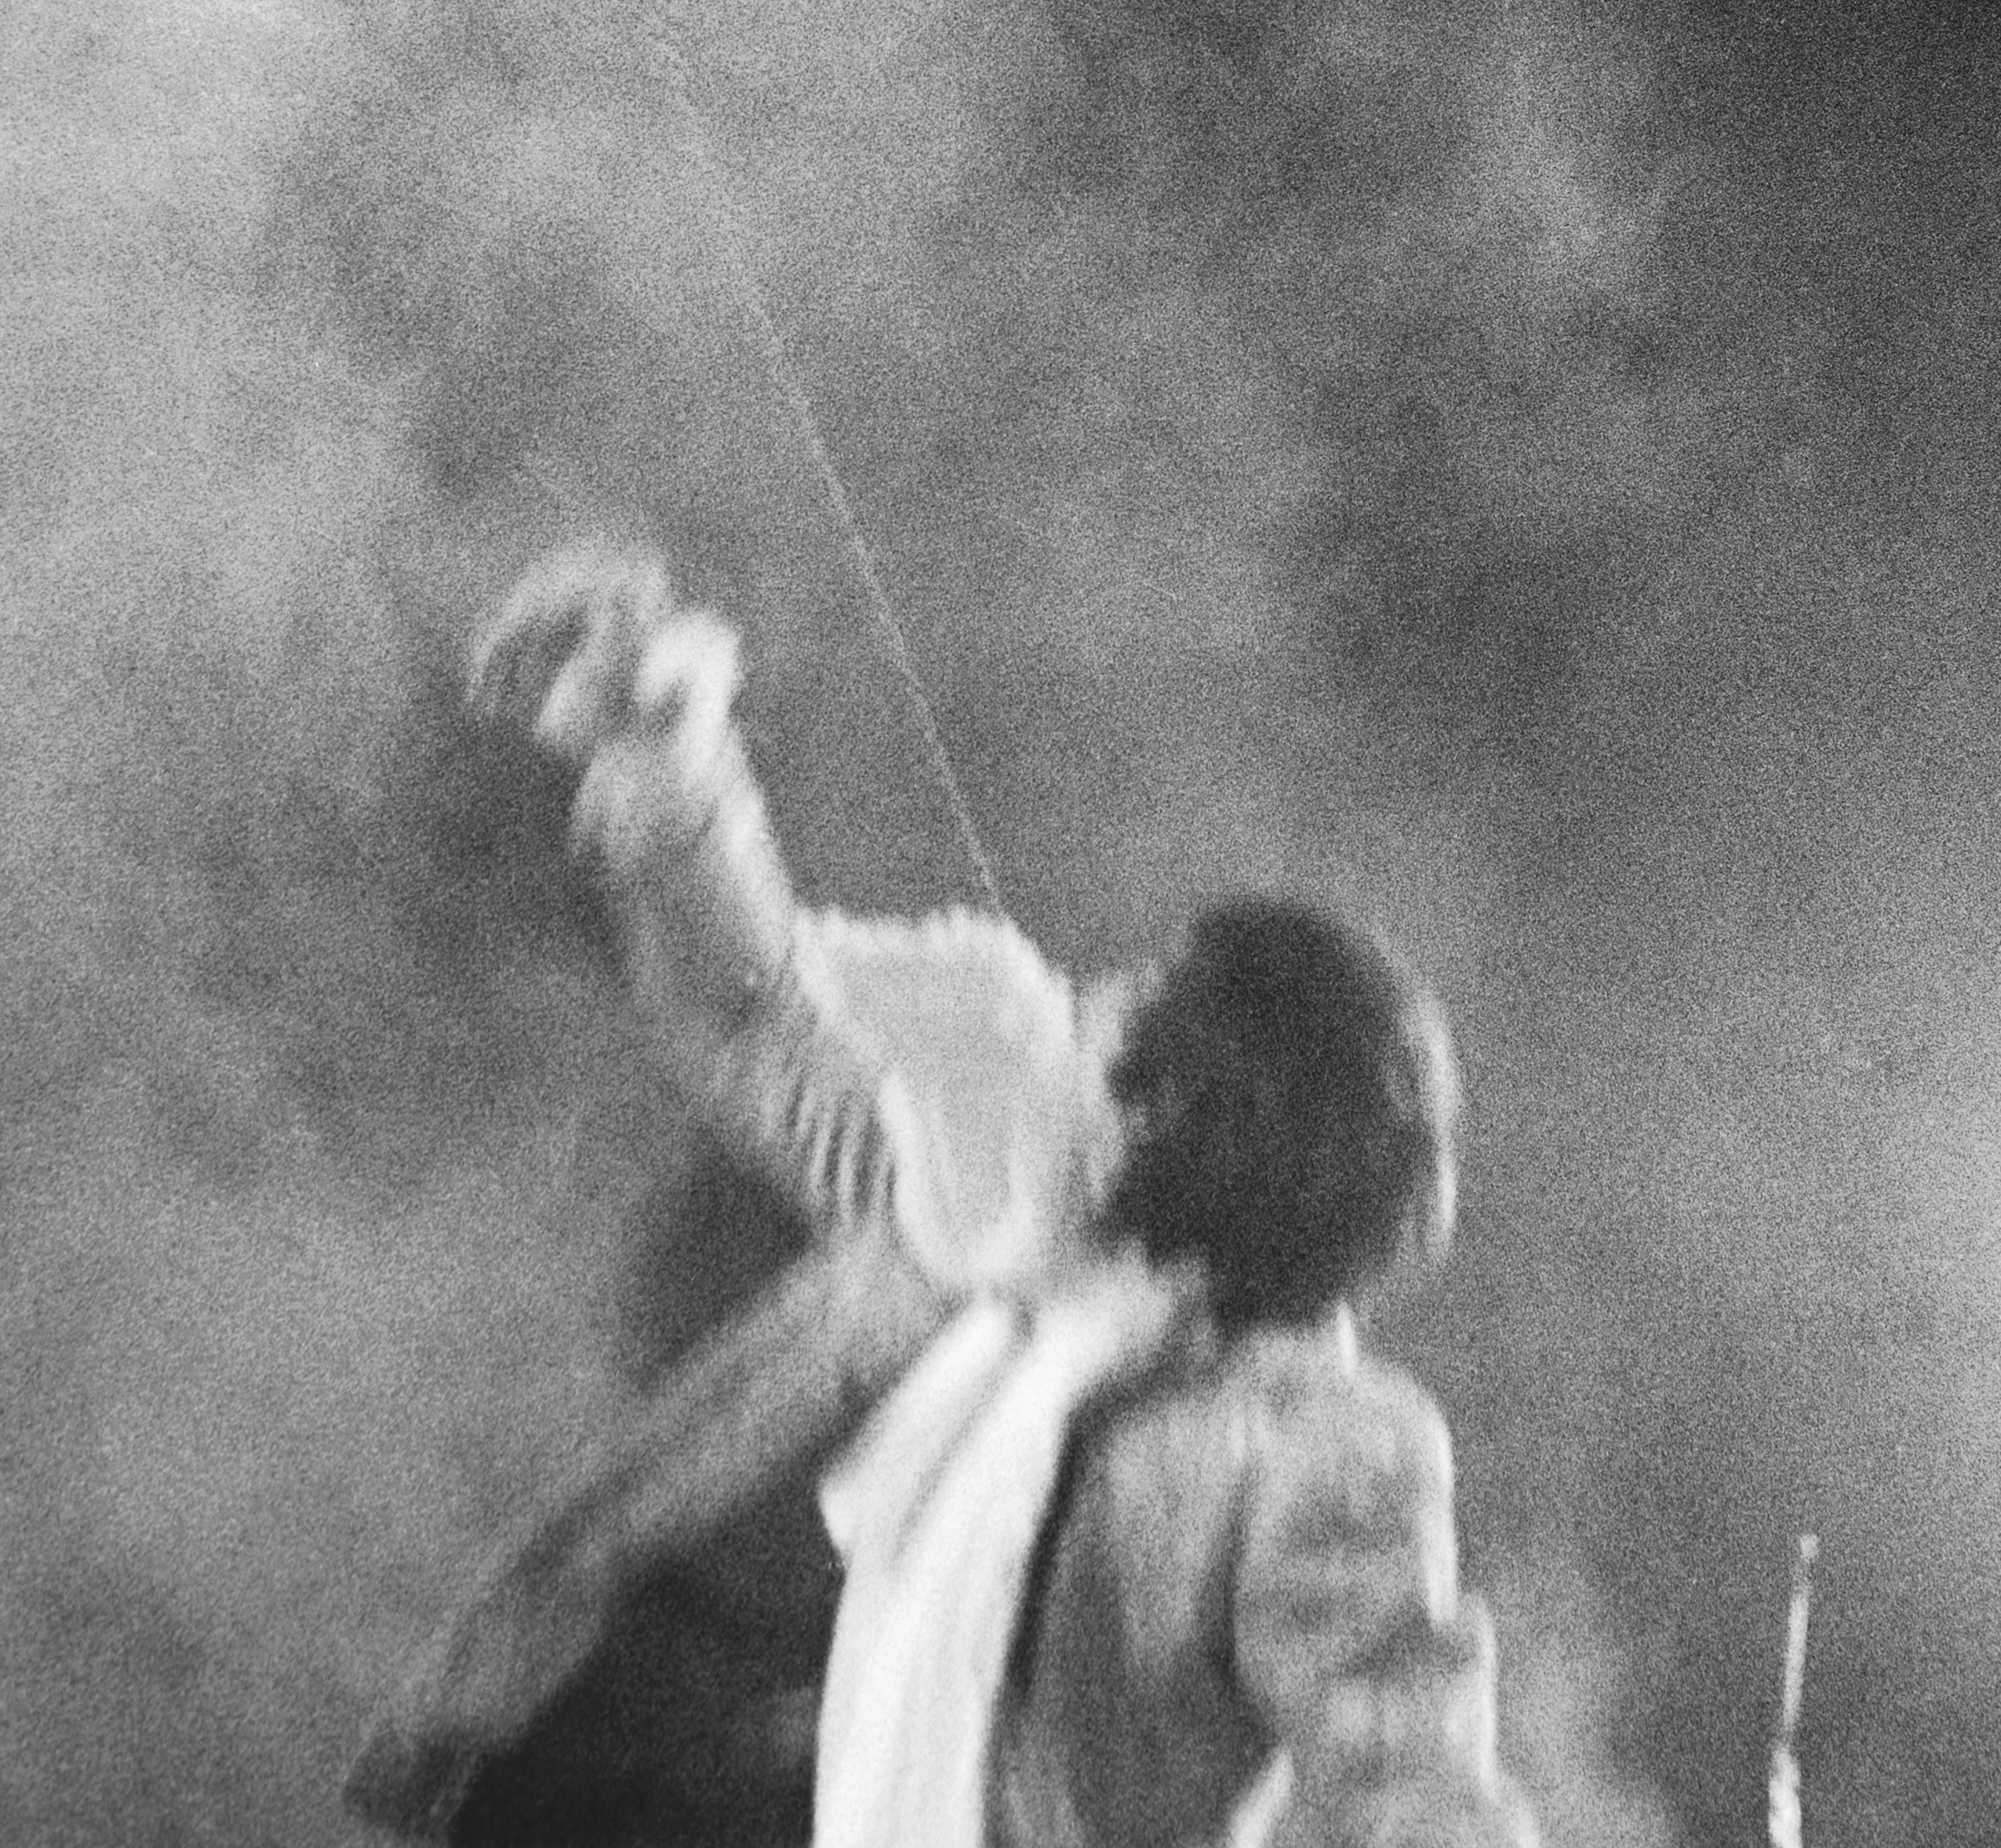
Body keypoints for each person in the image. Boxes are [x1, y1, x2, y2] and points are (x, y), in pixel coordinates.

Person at [353, 541, 1546, 1848]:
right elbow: (760, 1022)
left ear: (1163, 1111)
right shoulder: (961, 1229)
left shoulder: (1321, 1439)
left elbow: (1404, 1776)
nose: (1073, 1013)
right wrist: (664, 755)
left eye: (1115, 1010)